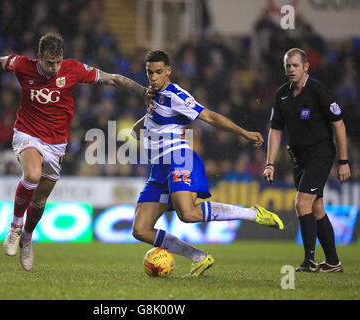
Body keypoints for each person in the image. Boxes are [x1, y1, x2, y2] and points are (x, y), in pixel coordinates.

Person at [0, 32, 152, 271]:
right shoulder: (23, 65)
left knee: (41, 198)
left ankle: (27, 238)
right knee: (32, 175)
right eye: (49, 62)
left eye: (58, 62)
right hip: (27, 133)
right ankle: (14, 227)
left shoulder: (72, 69)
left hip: (56, 144)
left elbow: (112, 79)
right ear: (39, 57)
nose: (54, 67)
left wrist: (143, 92)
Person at [131, 50, 284, 278]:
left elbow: (209, 117)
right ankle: (198, 257)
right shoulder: (153, 95)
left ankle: (252, 213)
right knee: (140, 230)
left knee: (188, 214)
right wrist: (139, 127)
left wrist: (244, 133)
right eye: (150, 72)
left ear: (169, 71)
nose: (153, 77)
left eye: (159, 72)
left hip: (179, 157)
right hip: (159, 168)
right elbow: (149, 120)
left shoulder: (177, 95)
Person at [263, 48, 351, 273]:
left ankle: (309, 261)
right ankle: (333, 262)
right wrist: (270, 163)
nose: (291, 70)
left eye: (295, 65)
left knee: (301, 204)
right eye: (288, 66)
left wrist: (343, 160)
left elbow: (338, 124)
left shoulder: (318, 90)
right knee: (317, 208)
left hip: (320, 154)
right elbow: (275, 129)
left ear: (306, 67)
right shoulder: (282, 94)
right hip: (299, 158)